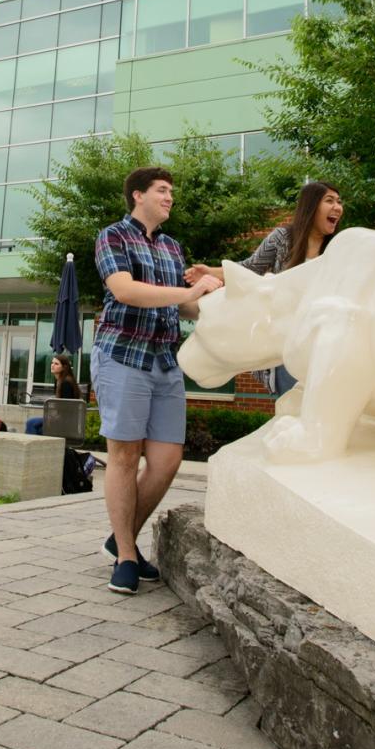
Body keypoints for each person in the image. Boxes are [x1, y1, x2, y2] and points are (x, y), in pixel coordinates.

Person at [94, 166, 221, 595]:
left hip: (165, 361)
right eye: (162, 190)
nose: (170, 197)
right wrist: (187, 293)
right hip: (123, 356)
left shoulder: (171, 247)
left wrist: (215, 297)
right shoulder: (112, 236)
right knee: (125, 457)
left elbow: (180, 310)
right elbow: (126, 291)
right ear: (137, 196)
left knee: (166, 461)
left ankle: (120, 535)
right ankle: (127, 557)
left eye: (171, 190)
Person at [185, 180, 343, 394]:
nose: (337, 207)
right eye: (329, 200)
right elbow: (251, 268)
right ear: (311, 205)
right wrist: (211, 272)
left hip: (324, 348)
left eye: (339, 202)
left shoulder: (336, 251)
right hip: (285, 350)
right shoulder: (282, 239)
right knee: (293, 413)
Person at [25, 353, 82, 436]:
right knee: (31, 423)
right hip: (60, 420)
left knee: (31, 424)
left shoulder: (66, 383)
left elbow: (67, 407)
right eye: (52, 363)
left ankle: (34, 447)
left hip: (64, 424)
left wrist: (52, 418)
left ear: (64, 367)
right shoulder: (59, 381)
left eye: (56, 364)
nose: (52, 365)